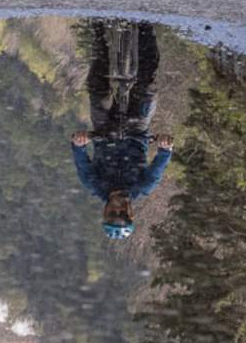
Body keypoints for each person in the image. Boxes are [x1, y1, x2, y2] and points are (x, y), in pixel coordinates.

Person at [70, 20, 173, 239]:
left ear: (105, 211)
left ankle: (98, 31)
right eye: (123, 213)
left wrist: (79, 144)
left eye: (112, 213)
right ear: (131, 212)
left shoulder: (94, 185)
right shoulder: (143, 187)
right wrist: (165, 148)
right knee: (148, 87)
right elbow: (159, 166)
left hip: (103, 128)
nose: (118, 208)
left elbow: (82, 162)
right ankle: (146, 26)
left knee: (98, 90)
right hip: (137, 129)